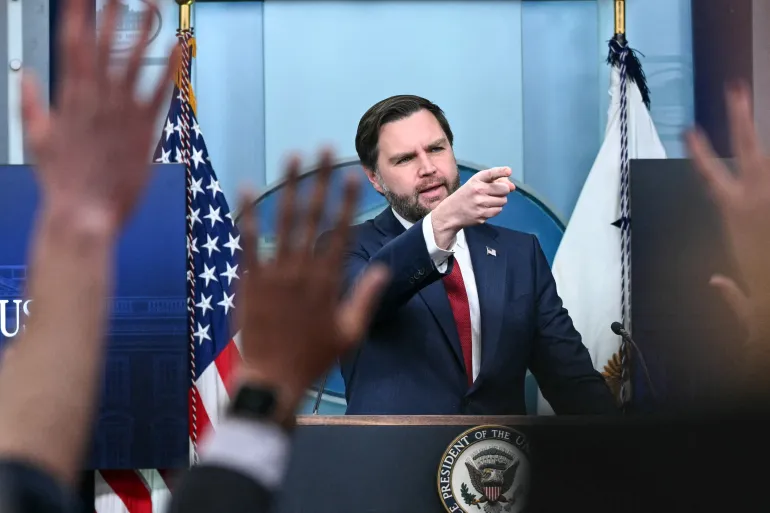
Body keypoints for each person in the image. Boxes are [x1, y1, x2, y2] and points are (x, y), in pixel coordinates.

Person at [319, 95, 618, 415]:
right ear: (375, 178)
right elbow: (364, 303)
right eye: (405, 159)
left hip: (500, 460)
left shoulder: (519, 255)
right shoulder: (343, 247)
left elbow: (571, 381)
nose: (428, 168)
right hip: (394, 460)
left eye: (436, 148)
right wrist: (443, 222)